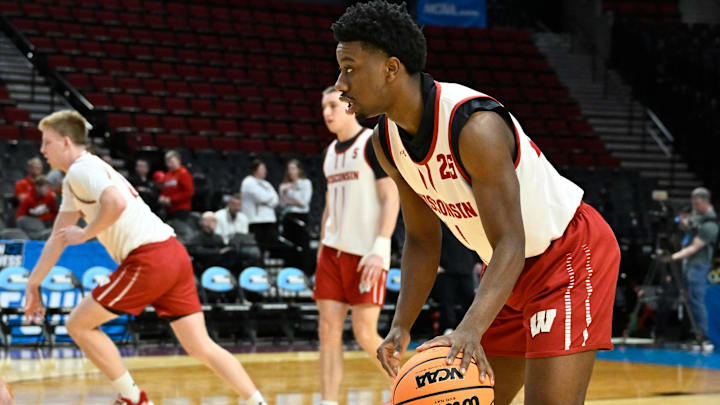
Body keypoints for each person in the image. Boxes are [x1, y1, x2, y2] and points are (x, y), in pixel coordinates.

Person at [331, 3, 621, 405]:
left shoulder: (474, 127)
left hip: (566, 254)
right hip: (506, 272)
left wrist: (468, 328)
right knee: (471, 399)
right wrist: (401, 325)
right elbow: (420, 239)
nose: (340, 83)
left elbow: (511, 241)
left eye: (349, 68)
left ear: (391, 68)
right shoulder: (386, 142)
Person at [24, 110, 268, 405]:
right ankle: (258, 402)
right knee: (201, 346)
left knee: (79, 324)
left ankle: (133, 399)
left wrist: (87, 233)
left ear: (65, 142)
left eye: (46, 142)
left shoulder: (81, 170)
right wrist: (33, 284)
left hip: (149, 257)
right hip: (172, 253)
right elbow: (57, 238)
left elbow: (115, 203)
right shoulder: (82, 176)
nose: (42, 150)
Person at [314, 86, 400, 405]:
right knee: (328, 333)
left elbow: (390, 197)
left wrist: (381, 245)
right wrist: (322, 244)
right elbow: (328, 204)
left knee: (365, 333)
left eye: (333, 105)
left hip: (366, 253)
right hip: (331, 252)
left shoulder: (371, 144)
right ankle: (328, 401)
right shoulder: (329, 153)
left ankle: (409, 390)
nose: (327, 112)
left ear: (350, 106)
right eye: (323, 106)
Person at [668, 187, 717, 351]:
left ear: (705, 202)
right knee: (689, 301)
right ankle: (694, 335)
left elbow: (694, 247)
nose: (694, 207)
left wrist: (672, 257)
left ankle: (705, 338)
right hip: (688, 265)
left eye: (697, 204)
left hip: (699, 266)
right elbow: (688, 224)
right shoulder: (698, 216)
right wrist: (681, 220)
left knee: (697, 301)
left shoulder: (711, 225)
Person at [431, 224, 478, 335]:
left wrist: (477, 261)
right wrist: (434, 264)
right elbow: (431, 244)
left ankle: (469, 327)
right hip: (445, 270)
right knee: (446, 300)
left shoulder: (467, 225)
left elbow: (475, 243)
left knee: (469, 299)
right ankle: (448, 329)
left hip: (466, 268)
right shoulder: (439, 224)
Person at [240, 160, 279, 251]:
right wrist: (269, 199)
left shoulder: (267, 184)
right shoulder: (248, 182)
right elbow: (261, 197)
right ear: (255, 170)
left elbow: (276, 200)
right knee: (257, 247)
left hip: (269, 220)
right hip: (255, 221)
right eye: (262, 169)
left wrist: (267, 200)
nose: (265, 171)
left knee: (267, 246)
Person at [159, 150, 194, 221]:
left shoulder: (183, 174)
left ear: (178, 161)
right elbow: (165, 189)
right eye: (167, 162)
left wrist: (171, 199)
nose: (169, 165)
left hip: (181, 209)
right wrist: (162, 197)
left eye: (171, 162)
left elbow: (189, 192)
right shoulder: (167, 175)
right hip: (168, 209)